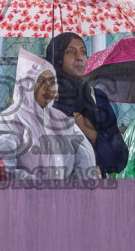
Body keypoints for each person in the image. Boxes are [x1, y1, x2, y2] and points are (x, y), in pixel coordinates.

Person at [0, 50, 98, 180]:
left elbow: (86, 158)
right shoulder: (8, 123)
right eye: (41, 81)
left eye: (52, 81)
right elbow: (2, 170)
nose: (48, 87)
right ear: (26, 84)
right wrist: (40, 190)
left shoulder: (61, 120)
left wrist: (72, 191)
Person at [45, 33, 129, 175]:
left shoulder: (96, 97)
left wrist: (91, 134)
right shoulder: (45, 98)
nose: (79, 57)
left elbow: (119, 158)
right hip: (53, 186)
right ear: (57, 57)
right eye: (70, 52)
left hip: (94, 189)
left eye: (83, 52)